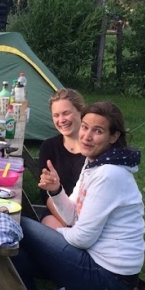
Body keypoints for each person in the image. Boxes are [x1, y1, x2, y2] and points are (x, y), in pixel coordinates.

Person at [0, 101, 145, 290]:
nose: (87, 136)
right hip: (96, 263)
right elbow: (72, 215)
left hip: (109, 277)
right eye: (85, 127)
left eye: (98, 131)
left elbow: (82, 239)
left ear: (113, 137)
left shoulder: (109, 174)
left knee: (17, 224)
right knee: (14, 251)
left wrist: (49, 231)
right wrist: (56, 190)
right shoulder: (95, 163)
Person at [36, 88, 86, 229]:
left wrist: (80, 224)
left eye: (66, 113)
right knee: (50, 228)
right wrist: (68, 222)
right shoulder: (49, 146)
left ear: (81, 112)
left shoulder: (93, 149)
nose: (61, 120)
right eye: (56, 115)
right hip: (57, 213)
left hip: (88, 215)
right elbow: (46, 194)